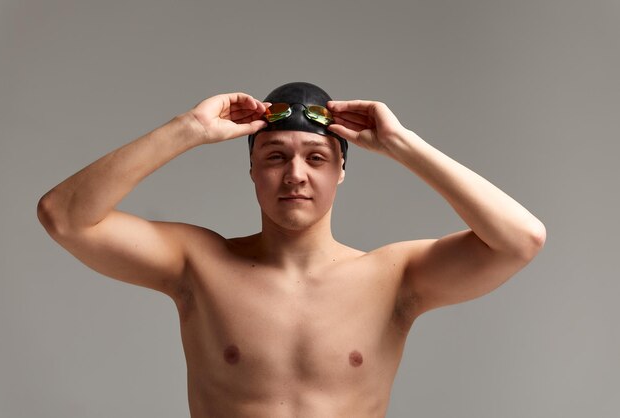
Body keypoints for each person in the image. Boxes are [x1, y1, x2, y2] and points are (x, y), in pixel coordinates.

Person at [37, 81, 546, 417]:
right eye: (275, 156)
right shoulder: (198, 264)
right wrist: (189, 130)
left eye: (317, 157)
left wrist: (403, 144)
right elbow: (64, 216)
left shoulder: (394, 277)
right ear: (253, 171)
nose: (295, 175)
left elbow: (521, 239)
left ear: (341, 170)